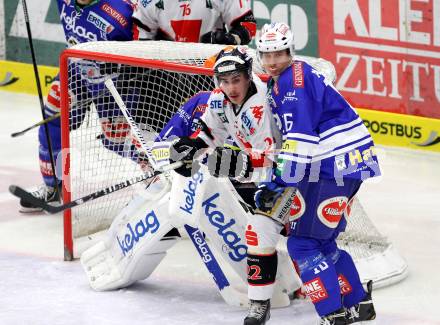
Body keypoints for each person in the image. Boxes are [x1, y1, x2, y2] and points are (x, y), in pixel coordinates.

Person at [256, 22, 380, 324]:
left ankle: (332, 314)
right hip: (350, 164)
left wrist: (280, 184)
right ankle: (357, 304)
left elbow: (302, 141)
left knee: (303, 244)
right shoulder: (293, 76)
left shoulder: (290, 84)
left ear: (290, 51)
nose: (272, 62)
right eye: (266, 55)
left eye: (279, 54)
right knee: (323, 242)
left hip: (331, 167)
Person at [168, 46, 296, 325]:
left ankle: (333, 287)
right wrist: (191, 146)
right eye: (224, 81)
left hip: (288, 176)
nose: (230, 87)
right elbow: (209, 133)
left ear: (248, 76)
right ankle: (260, 305)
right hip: (258, 178)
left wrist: (236, 163)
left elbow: (271, 158)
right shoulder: (219, 100)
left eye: (236, 80)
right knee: (260, 234)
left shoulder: (264, 103)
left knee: (301, 238)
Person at [19, 0, 135, 212]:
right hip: (75, 71)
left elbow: (149, 47)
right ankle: (53, 187)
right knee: (52, 122)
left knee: (117, 142)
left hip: (116, 83)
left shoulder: (121, 12)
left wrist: (125, 63)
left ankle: (164, 183)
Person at [132, 0, 256, 45]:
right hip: (166, 75)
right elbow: (140, 40)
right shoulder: (148, 1)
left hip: (211, 67)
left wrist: (231, 39)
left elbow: (247, 23)